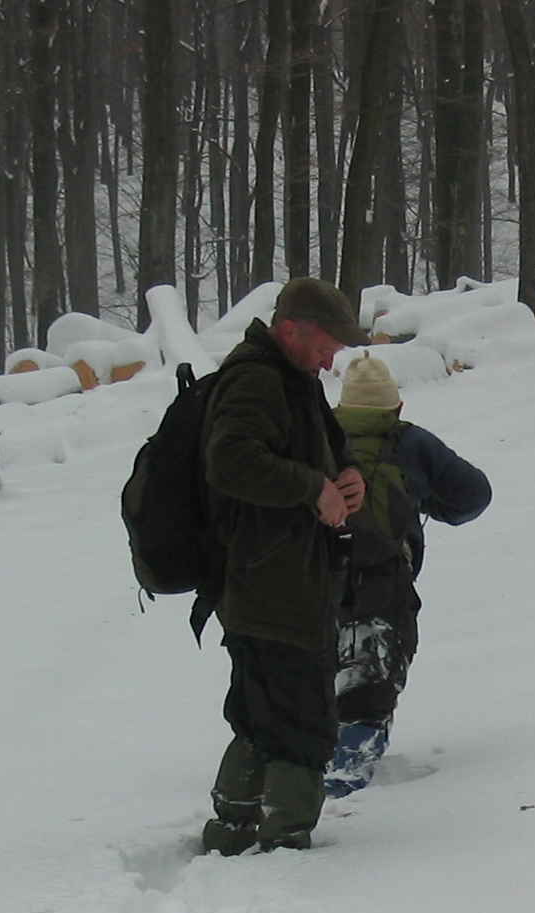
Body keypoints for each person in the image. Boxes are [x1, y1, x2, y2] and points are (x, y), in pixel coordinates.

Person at [200, 277, 369, 855]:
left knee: (260, 714)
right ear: (289, 329)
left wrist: (348, 474)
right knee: (302, 719)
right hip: (270, 581)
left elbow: (325, 445)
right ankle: (284, 849)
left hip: (277, 578)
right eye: (326, 344)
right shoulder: (255, 378)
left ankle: (233, 831)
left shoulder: (294, 379)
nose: (332, 358)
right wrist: (309, 489)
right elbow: (231, 462)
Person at [325, 354, 492, 798]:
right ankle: (348, 772)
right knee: (376, 667)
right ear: (395, 408)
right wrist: (427, 504)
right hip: (382, 574)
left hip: (312, 574)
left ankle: (294, 764)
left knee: (314, 664)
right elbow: (474, 495)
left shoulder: (314, 435)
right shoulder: (409, 442)